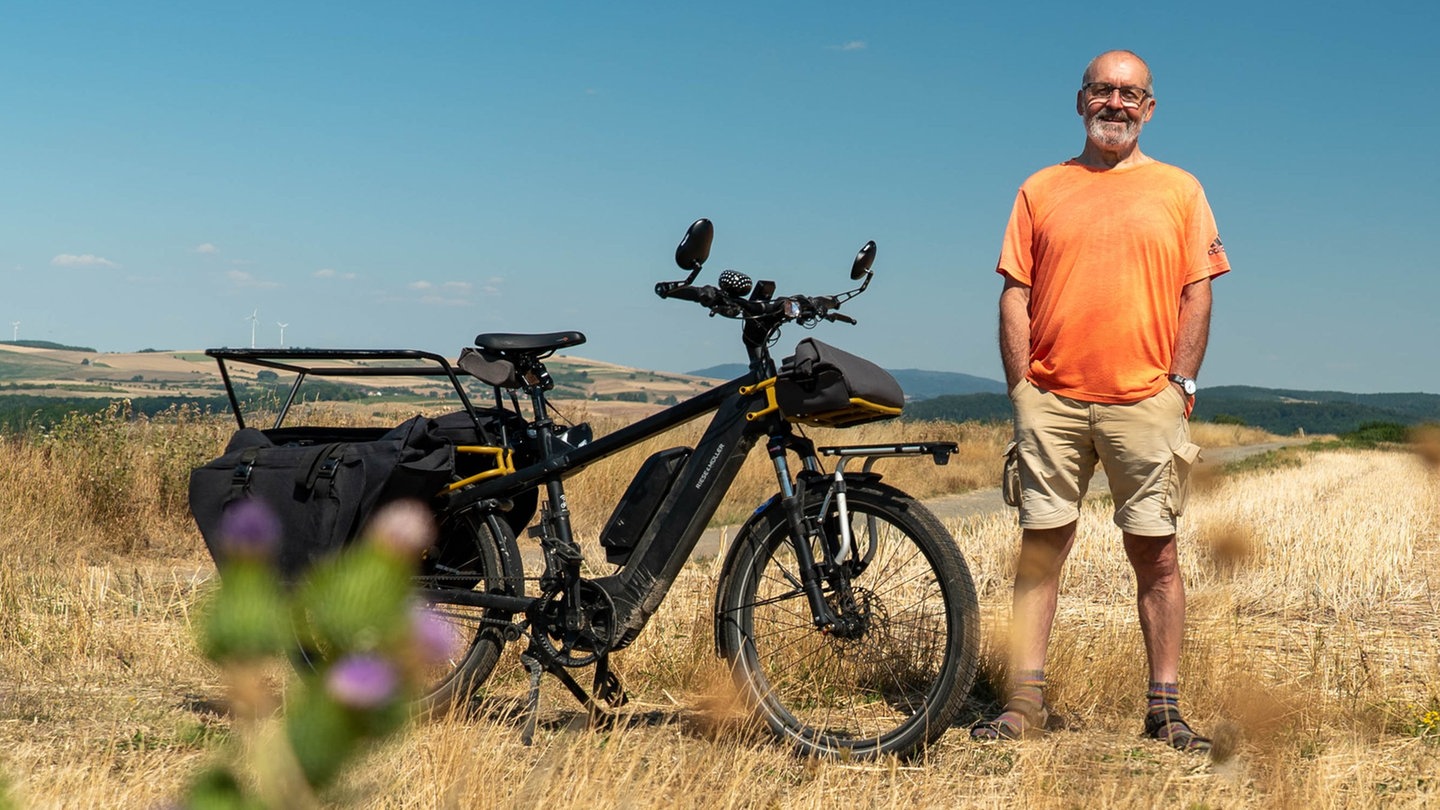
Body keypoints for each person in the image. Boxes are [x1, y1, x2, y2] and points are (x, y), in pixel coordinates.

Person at [972, 50, 1231, 752]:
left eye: (1129, 93)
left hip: (1146, 400)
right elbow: (1016, 291)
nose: (1115, 103)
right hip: (1051, 400)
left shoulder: (1181, 189)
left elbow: (1198, 291)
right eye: (1102, 90)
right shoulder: (1040, 188)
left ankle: (1164, 710)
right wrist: (1021, 388)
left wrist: (1181, 384)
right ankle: (1023, 704)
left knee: (1157, 555)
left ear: (1149, 108)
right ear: (1080, 99)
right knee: (1040, 551)